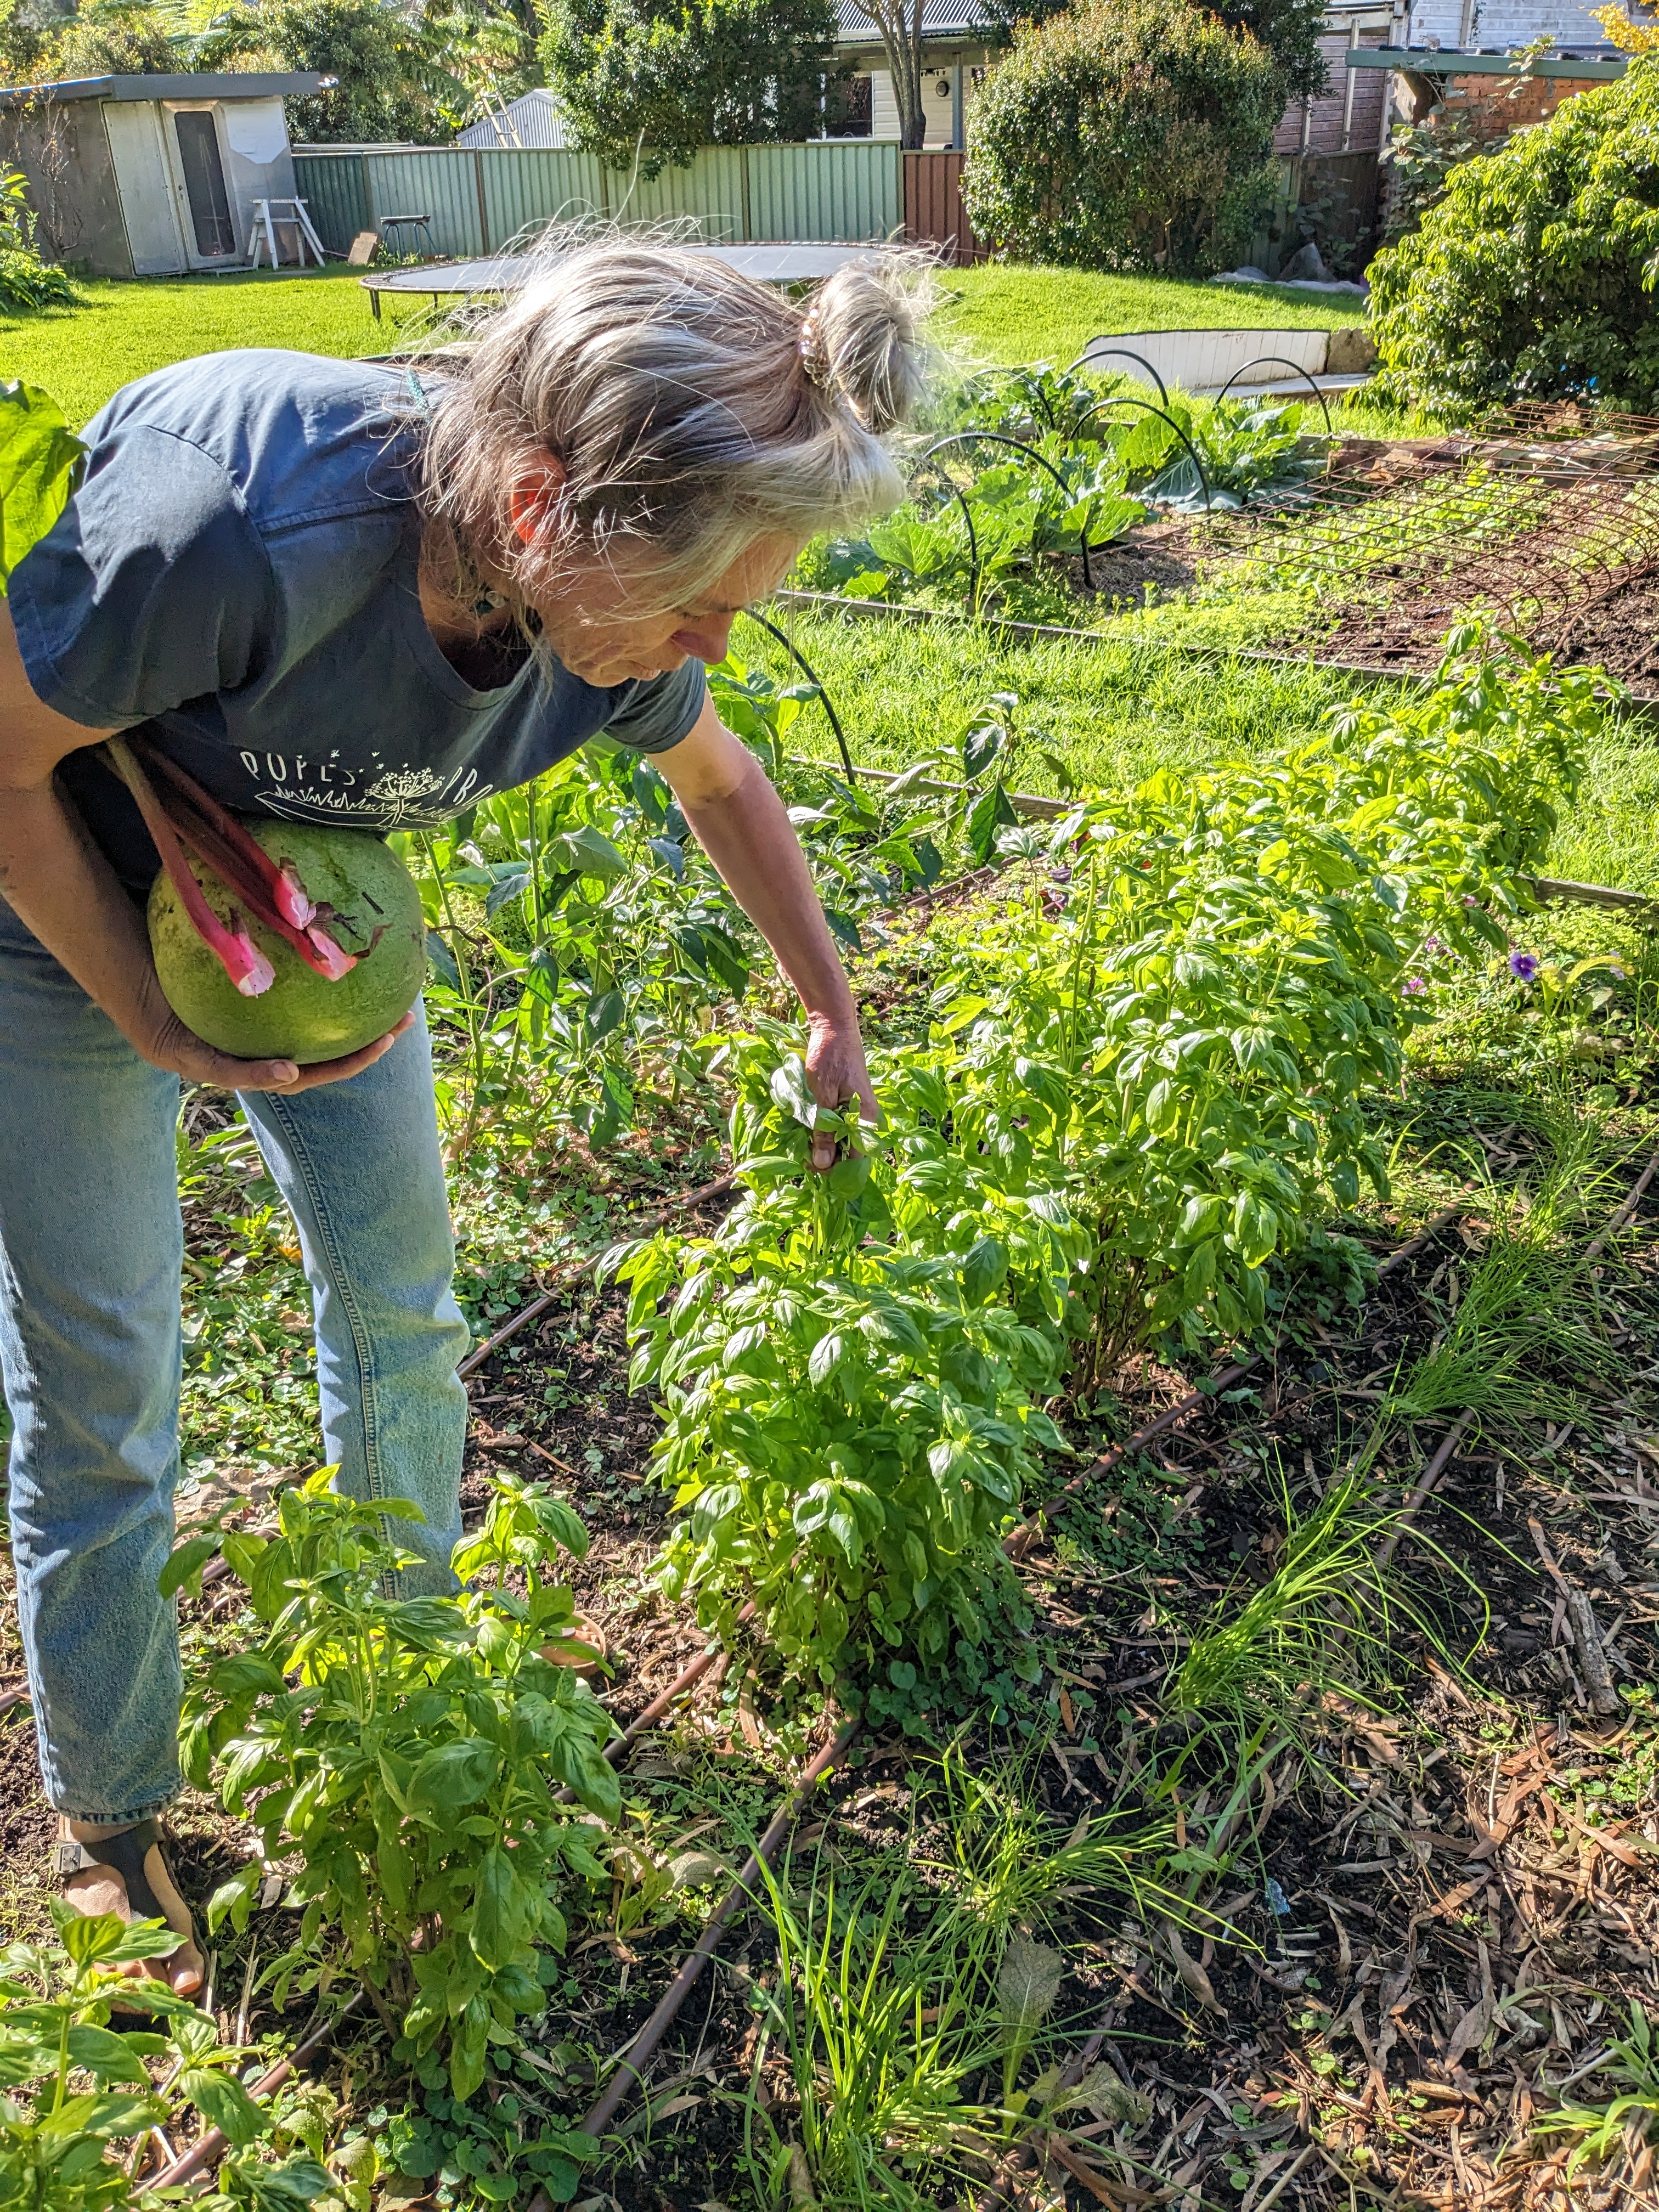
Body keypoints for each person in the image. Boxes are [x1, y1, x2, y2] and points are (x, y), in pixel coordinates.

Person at [0, 238, 922, 1993]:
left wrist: (827, 996)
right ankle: (112, 1826)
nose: (713, 647)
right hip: (47, 926)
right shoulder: (231, 532)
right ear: (536, 504)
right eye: (701, 602)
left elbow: (725, 783)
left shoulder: (612, 618)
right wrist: (150, 1014)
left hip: (322, 935)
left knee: (405, 1311)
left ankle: (409, 1674)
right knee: (107, 1382)